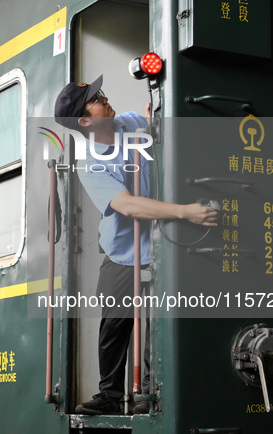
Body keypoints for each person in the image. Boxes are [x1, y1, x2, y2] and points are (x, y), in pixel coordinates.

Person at [54, 75, 219, 415]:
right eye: (96, 98)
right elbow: (128, 205)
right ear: (85, 120)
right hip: (123, 251)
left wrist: (157, 116)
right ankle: (110, 396)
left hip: (163, 246)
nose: (104, 97)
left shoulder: (129, 121)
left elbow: (159, 134)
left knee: (155, 323)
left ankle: (149, 393)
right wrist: (185, 212)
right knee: (115, 322)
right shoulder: (90, 163)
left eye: (100, 92)